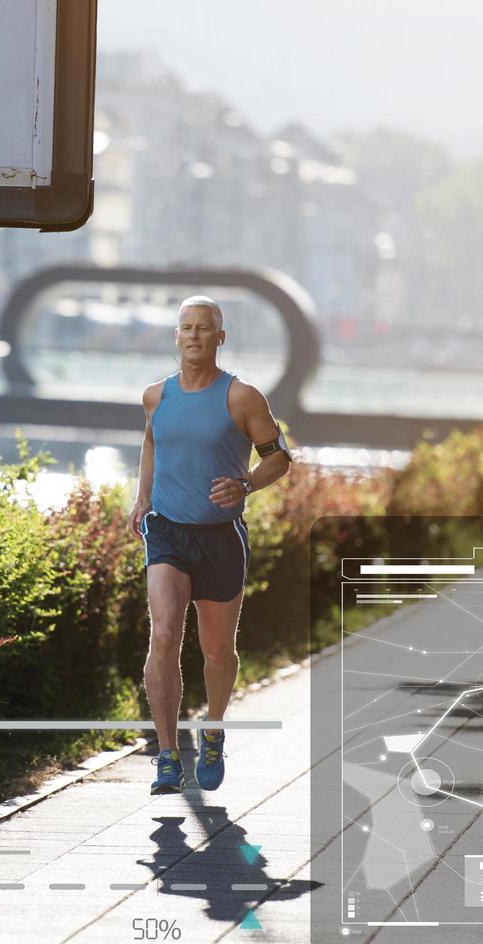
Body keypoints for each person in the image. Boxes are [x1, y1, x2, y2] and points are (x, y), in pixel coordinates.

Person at [127, 296, 293, 793]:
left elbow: (279, 458)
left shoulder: (242, 398)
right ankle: (166, 755)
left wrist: (245, 483)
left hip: (221, 538)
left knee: (218, 651)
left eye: (204, 328)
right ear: (176, 337)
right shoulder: (156, 396)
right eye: (186, 328)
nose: (194, 335)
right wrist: (142, 497)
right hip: (167, 533)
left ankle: (214, 728)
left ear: (220, 338)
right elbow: (152, 442)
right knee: (163, 636)